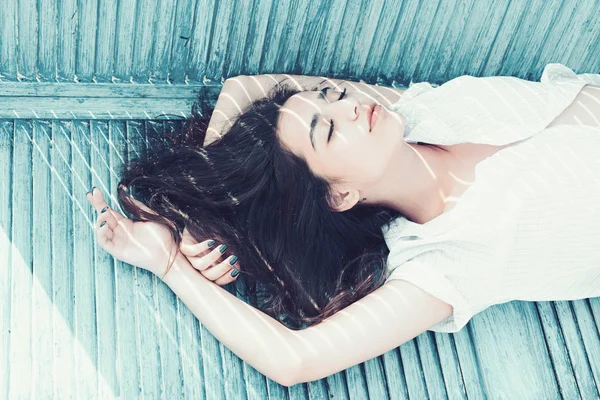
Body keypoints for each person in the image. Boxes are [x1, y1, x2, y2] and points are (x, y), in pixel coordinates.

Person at [85, 64, 600, 387]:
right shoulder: (444, 256)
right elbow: (294, 361)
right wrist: (172, 262)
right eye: (328, 129)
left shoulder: (419, 111)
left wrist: (200, 215)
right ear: (340, 195)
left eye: (332, 94)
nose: (353, 106)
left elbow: (244, 87)